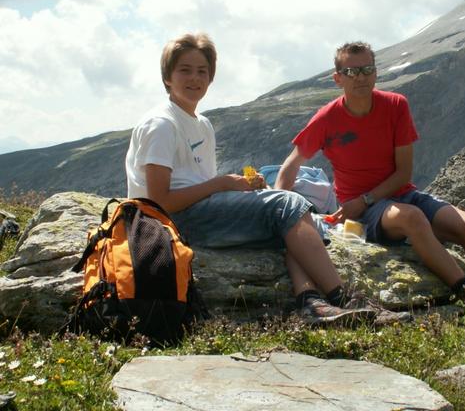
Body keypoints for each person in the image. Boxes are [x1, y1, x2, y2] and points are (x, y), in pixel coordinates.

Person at [275, 41, 465, 325]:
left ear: (376, 73)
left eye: (367, 69)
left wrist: (365, 199)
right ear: (338, 78)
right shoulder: (328, 118)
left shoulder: (395, 105)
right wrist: (280, 206)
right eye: (352, 72)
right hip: (366, 213)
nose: (361, 77)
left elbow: (403, 174)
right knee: (413, 219)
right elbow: (291, 163)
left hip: (396, 195)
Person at [125, 32, 377, 326]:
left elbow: (197, 186)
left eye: (202, 71)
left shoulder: (201, 124)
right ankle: (342, 298)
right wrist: (222, 184)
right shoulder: (162, 125)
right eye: (185, 70)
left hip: (196, 212)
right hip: (168, 223)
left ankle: (311, 301)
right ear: (167, 76)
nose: (194, 78)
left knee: (288, 213)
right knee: (287, 205)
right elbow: (159, 201)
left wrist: (241, 189)